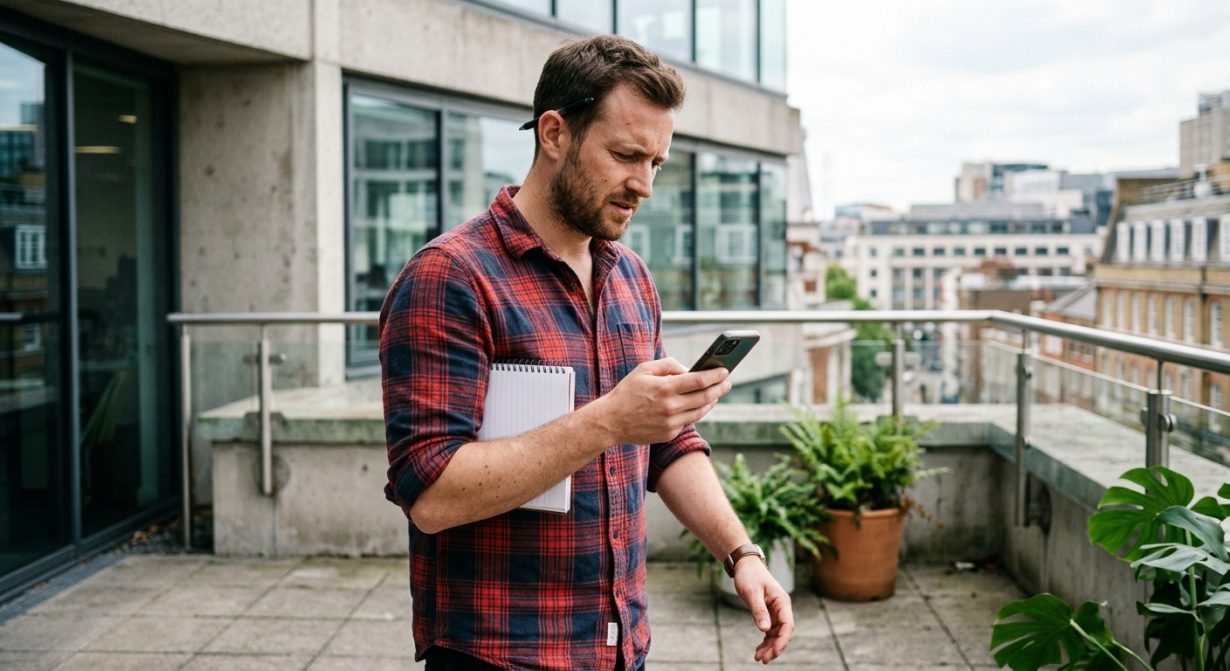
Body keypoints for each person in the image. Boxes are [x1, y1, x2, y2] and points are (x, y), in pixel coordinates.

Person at [380, 34, 794, 671]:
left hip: (619, 646)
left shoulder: (630, 276)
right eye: (627, 155)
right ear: (554, 133)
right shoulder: (450, 278)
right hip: (497, 655)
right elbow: (431, 495)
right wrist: (607, 421)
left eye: (656, 162)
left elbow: (667, 444)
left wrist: (742, 554)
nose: (645, 185)